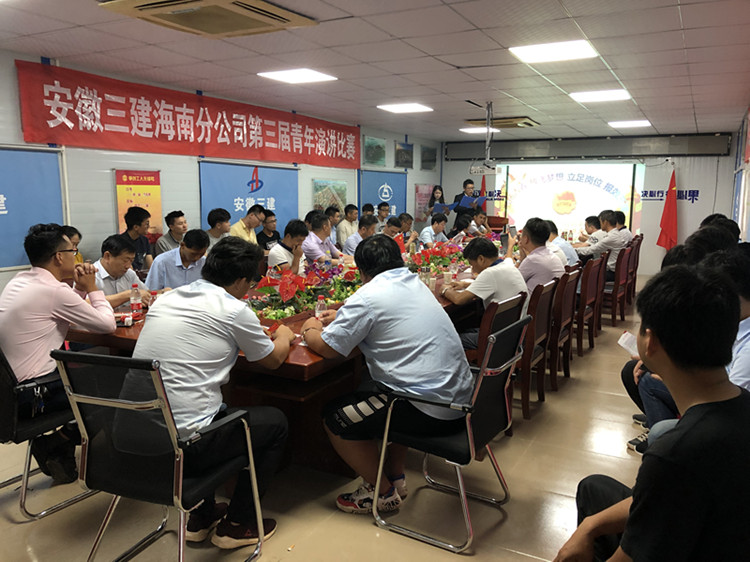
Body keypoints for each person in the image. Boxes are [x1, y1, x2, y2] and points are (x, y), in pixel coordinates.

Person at [554, 265, 750, 562]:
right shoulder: (740, 403)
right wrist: (591, 525)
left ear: (650, 341)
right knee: (593, 489)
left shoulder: (674, 455)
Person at [133, 237, 294, 550]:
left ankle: (202, 516)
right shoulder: (234, 309)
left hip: (137, 436)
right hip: (187, 446)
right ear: (241, 281)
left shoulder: (167, 299)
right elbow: (273, 360)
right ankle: (238, 524)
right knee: (274, 422)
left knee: (208, 408)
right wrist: (284, 336)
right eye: (250, 282)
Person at [300, 235, 474, 514]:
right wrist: (345, 315)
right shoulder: (415, 283)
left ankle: (382, 493)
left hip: (428, 408)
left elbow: (327, 348)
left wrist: (310, 328)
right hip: (458, 399)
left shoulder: (368, 296)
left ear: (361, 271)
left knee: (335, 417)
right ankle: (396, 477)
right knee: (374, 387)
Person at [0, 224, 116, 482]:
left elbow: (65, 311)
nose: (77, 256)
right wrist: (93, 288)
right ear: (59, 257)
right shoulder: (53, 291)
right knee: (112, 390)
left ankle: (59, 449)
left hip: (8, 395)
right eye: (73, 251)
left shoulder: (19, 281)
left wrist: (80, 289)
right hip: (32, 397)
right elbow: (107, 325)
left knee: (92, 379)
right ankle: (58, 443)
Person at [442, 237, 528, 349]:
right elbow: (494, 284)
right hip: (515, 332)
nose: (473, 269)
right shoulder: (507, 266)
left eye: (472, 264)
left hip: (498, 339)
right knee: (465, 328)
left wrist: (445, 290)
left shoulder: (489, 273)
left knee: (449, 339)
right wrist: (464, 285)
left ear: (481, 259)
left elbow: (459, 299)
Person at [94, 235, 153, 309]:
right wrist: (128, 294)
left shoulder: (129, 273)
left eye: (131, 261)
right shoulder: (91, 275)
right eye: (125, 260)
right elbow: (88, 303)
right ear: (107, 256)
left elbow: (146, 293)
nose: (128, 266)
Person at [508, 218, 564, 292]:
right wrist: (522, 259)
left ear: (526, 239)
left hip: (532, 299)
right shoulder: (553, 256)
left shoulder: (532, 260)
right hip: (550, 299)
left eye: (521, 235)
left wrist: (510, 247)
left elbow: (511, 283)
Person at [575, 210, 627, 281]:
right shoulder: (617, 234)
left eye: (600, 222)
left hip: (610, 272)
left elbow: (590, 250)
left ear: (605, 222)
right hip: (617, 270)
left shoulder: (611, 238)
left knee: (583, 274)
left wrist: (574, 250)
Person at [119, 206, 153, 271]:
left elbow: (151, 264)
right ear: (136, 227)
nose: (149, 226)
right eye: (146, 224)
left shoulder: (144, 240)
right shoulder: (120, 242)